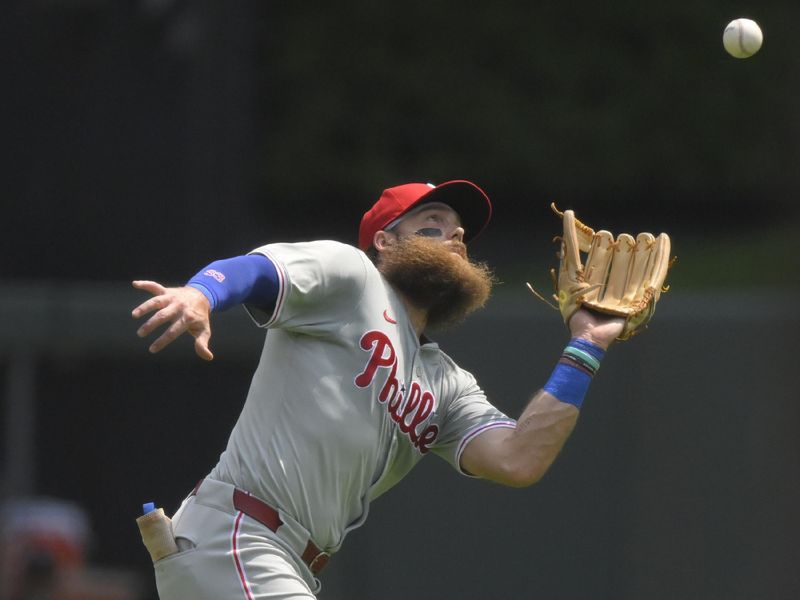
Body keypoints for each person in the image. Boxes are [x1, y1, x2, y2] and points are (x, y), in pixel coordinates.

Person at [131, 180, 624, 599]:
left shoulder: (447, 384)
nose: (452, 237)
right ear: (385, 242)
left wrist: (587, 345)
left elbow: (520, 459)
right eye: (431, 224)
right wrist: (201, 292)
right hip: (240, 537)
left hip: (281, 562)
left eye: (459, 234)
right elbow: (257, 270)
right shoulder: (352, 277)